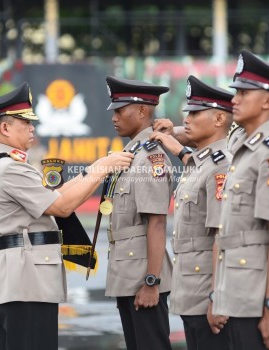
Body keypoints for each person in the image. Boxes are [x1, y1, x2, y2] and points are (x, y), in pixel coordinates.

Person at [0, 82, 133, 350]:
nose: (33, 128)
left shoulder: (3, 164)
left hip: (19, 282)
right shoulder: (11, 168)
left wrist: (94, 168)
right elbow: (61, 207)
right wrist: (103, 167)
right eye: (25, 122)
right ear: (5, 128)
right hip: (25, 284)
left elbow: (53, 198)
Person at [213, 49, 269, 350]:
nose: (234, 98)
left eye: (244, 92)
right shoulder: (244, 145)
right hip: (238, 294)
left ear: (267, 100)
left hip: (260, 299)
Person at [151, 75, 233, 350]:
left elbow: (222, 238)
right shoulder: (201, 161)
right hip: (192, 292)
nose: (186, 118)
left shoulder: (220, 166)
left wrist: (216, 297)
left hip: (207, 294)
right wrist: (172, 133)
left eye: (195, 113)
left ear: (220, 119)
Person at [104, 76, 173, 350]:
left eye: (120, 110)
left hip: (143, 275)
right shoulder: (132, 153)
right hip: (128, 271)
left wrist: (151, 282)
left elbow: (156, 222)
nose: (114, 117)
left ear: (143, 111)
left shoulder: (150, 158)